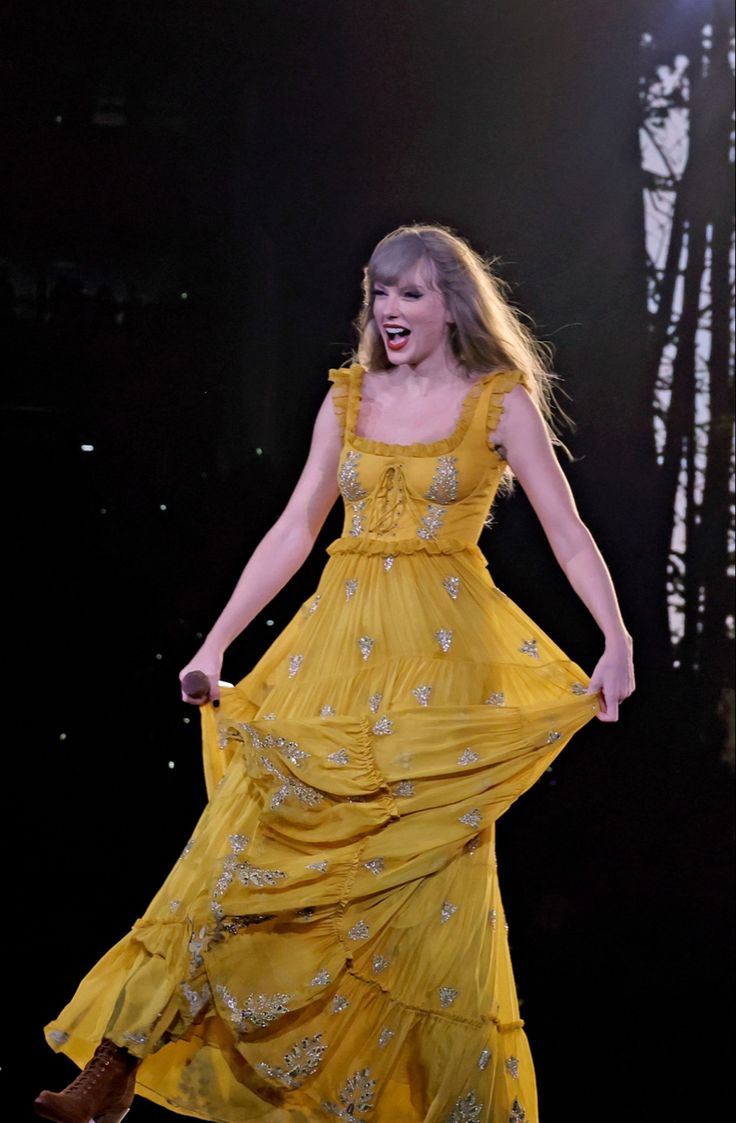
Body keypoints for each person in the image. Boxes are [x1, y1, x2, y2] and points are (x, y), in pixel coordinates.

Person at [35, 223, 634, 1123]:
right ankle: (117, 1058)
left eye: (411, 294)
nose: (390, 310)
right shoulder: (347, 399)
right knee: (243, 840)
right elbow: (293, 527)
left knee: (420, 882)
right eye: (379, 293)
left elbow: (567, 530)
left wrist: (616, 637)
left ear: (452, 304)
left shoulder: (498, 402)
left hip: (439, 659)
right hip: (334, 647)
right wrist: (215, 644)